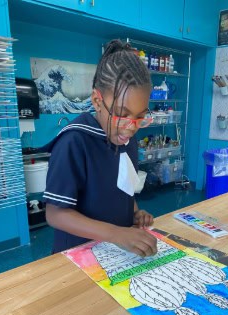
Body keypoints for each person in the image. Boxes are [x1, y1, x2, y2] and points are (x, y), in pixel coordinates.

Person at [43, 39, 157, 257]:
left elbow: (123, 188)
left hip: (114, 254)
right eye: (122, 114)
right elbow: (55, 214)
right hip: (77, 256)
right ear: (97, 101)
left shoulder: (126, 138)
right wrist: (116, 233)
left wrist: (135, 212)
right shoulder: (74, 142)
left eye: (140, 117)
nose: (131, 128)